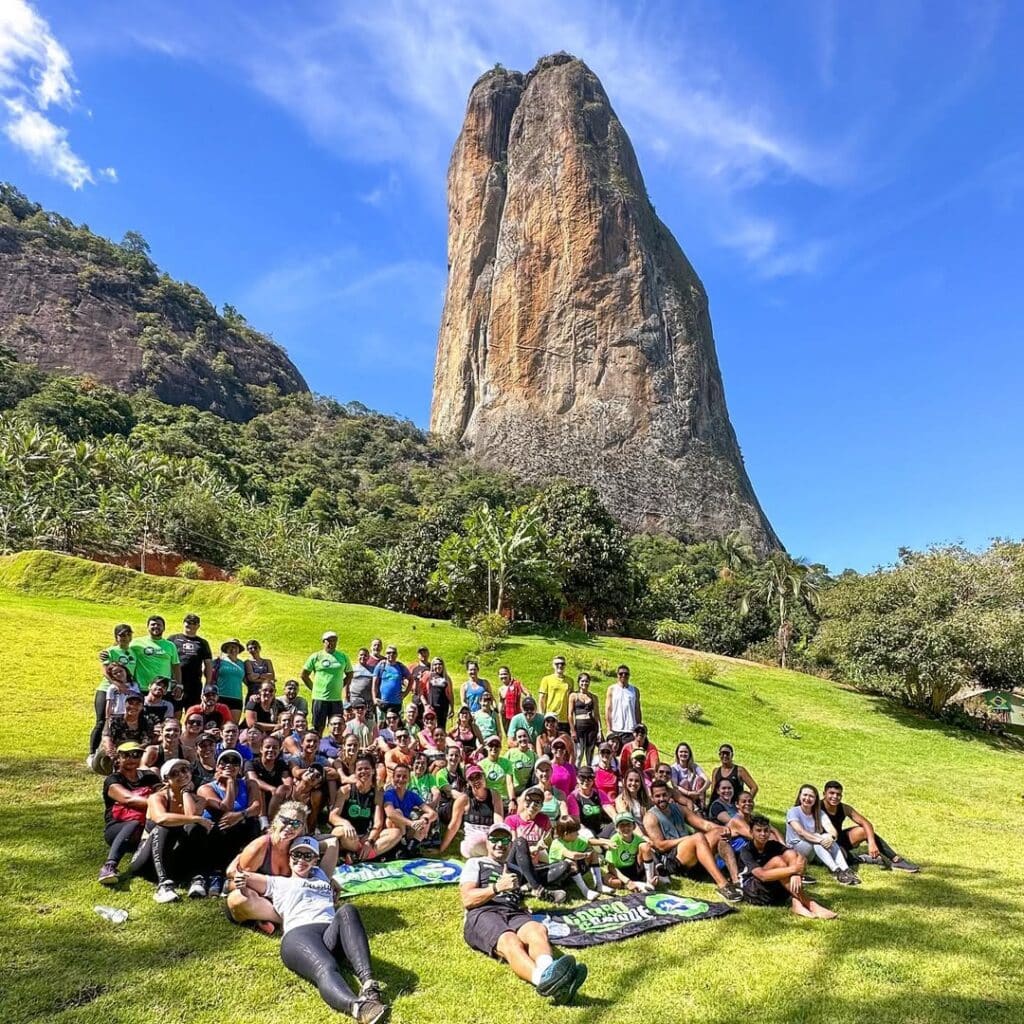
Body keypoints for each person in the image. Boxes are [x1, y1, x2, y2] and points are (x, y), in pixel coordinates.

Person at [233, 835, 390, 1023]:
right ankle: (359, 1007)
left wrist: (311, 842)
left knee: (348, 910)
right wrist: (242, 881)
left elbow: (333, 842)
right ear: (289, 857)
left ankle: (369, 985)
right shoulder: (277, 882)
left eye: (308, 856)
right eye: (296, 855)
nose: (301, 860)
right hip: (299, 934)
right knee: (326, 967)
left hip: (330, 930)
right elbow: (241, 875)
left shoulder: (322, 875)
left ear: (316, 860)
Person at [460, 823, 587, 1004]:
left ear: (509, 844)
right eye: (494, 839)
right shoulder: (476, 863)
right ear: (487, 842)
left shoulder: (516, 870)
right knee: (510, 941)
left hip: (512, 911)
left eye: (504, 840)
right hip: (483, 911)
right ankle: (543, 980)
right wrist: (496, 887)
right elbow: (468, 899)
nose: (499, 844)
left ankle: (550, 973)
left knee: (537, 930)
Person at [225, 803, 339, 933]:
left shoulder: (298, 845)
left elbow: (332, 842)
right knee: (237, 899)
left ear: (302, 828)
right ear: (276, 820)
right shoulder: (259, 847)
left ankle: (273, 920)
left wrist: (326, 879)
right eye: (285, 820)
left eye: (296, 824)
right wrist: (234, 873)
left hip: (288, 897)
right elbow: (235, 883)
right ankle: (290, 919)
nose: (289, 827)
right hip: (265, 898)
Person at [644, 780, 743, 901]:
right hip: (671, 859)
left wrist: (723, 829)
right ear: (652, 798)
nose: (661, 799)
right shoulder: (650, 817)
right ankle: (723, 885)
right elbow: (660, 846)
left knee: (719, 833)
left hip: (689, 848)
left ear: (669, 794)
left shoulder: (679, 808)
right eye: (657, 796)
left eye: (664, 795)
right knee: (698, 837)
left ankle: (737, 881)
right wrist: (686, 839)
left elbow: (703, 824)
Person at [134, 755, 215, 902]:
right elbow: (161, 818)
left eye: (184, 770)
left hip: (175, 858)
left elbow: (191, 816)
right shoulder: (157, 798)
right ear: (166, 780)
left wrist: (185, 793)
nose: (181, 775)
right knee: (163, 827)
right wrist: (197, 818)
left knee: (195, 827)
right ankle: (163, 884)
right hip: (147, 860)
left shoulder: (199, 799)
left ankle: (197, 878)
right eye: (174, 773)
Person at [739, 815, 837, 919]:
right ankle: (811, 904)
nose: (763, 834)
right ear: (751, 832)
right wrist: (793, 869)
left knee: (790, 854)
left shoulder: (773, 844)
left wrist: (797, 874)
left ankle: (796, 903)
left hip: (776, 892)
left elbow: (800, 857)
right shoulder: (746, 851)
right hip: (754, 892)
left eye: (766, 830)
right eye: (758, 831)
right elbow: (762, 876)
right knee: (779, 862)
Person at [821, 781, 920, 872]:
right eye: (831, 793)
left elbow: (866, 823)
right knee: (842, 857)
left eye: (838, 794)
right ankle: (860, 858)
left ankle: (896, 860)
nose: (835, 797)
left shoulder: (844, 808)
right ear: (824, 794)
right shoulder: (816, 807)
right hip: (822, 843)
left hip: (837, 839)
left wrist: (872, 843)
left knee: (863, 831)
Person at [197, 749, 262, 889]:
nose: (229, 765)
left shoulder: (250, 784)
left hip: (241, 828)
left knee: (252, 823)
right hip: (217, 832)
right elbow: (225, 808)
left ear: (240, 768)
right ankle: (216, 873)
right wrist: (231, 783)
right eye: (224, 761)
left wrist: (240, 815)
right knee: (224, 823)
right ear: (217, 766)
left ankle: (241, 869)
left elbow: (256, 807)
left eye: (235, 762)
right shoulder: (205, 788)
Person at [99, 742, 161, 885]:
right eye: (126, 755)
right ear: (118, 758)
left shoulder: (150, 777)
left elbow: (163, 793)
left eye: (136, 754)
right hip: (118, 827)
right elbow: (128, 799)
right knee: (133, 823)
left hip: (148, 825)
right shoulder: (113, 780)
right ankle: (110, 866)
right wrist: (157, 803)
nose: (131, 759)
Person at [329, 755, 402, 861]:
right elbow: (332, 816)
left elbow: (378, 823)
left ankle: (357, 856)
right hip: (349, 834)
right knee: (340, 831)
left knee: (396, 833)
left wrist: (370, 841)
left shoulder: (378, 793)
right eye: (360, 769)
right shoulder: (345, 790)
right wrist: (346, 824)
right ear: (355, 772)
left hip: (366, 835)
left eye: (367, 768)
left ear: (373, 771)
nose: (363, 771)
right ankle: (365, 854)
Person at [786, 784, 859, 885]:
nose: (807, 798)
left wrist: (831, 838)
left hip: (813, 848)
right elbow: (801, 832)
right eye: (805, 795)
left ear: (816, 799)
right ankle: (836, 871)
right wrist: (820, 840)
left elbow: (832, 830)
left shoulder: (818, 812)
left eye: (811, 796)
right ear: (800, 796)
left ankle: (846, 869)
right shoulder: (793, 811)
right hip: (796, 848)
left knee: (826, 836)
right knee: (819, 838)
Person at [92, 624, 137, 761]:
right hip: (107, 689)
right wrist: (116, 684)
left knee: (120, 721)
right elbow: (104, 670)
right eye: (122, 635)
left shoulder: (134, 651)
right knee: (102, 721)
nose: (125, 637)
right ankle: (92, 752)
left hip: (125, 691)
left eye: (128, 634)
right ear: (116, 637)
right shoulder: (110, 651)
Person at [441, 764, 504, 856]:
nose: (476, 781)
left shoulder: (494, 795)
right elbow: (454, 826)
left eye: (478, 776)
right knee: (478, 841)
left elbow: (499, 822)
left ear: (484, 777)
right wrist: (442, 849)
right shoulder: (463, 799)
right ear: (468, 783)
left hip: (490, 839)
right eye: (472, 778)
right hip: (472, 842)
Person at [303, 631, 354, 733]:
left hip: (336, 698)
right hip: (319, 698)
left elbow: (350, 674)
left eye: (334, 640)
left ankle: (333, 747)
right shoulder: (316, 656)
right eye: (329, 640)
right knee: (318, 727)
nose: (332, 643)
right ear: (323, 642)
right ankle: (317, 746)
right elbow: (304, 675)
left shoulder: (343, 656)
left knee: (337, 727)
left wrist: (341, 685)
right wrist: (314, 688)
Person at [549, 815, 607, 900]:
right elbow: (572, 855)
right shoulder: (557, 843)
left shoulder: (575, 839)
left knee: (594, 853)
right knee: (570, 862)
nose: (578, 833)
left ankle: (599, 885)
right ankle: (585, 891)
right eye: (576, 832)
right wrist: (585, 855)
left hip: (574, 873)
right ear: (566, 834)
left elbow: (589, 841)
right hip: (560, 877)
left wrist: (606, 842)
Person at [383, 763, 438, 851]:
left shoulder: (412, 795)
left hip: (407, 828)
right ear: (393, 778)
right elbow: (390, 814)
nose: (401, 779)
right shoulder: (389, 794)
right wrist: (411, 823)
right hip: (391, 830)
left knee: (426, 818)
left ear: (409, 779)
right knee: (397, 812)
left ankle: (411, 848)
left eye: (404, 777)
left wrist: (424, 820)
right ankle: (399, 846)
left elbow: (433, 813)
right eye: (398, 776)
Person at [95, 693, 154, 775]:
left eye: (137, 704)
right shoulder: (113, 719)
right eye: (130, 703)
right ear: (125, 704)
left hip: (136, 750)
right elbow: (106, 736)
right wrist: (110, 750)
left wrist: (129, 751)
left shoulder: (147, 722)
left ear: (142, 707)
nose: (133, 706)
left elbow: (147, 741)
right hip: (115, 749)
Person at [604, 813, 658, 892]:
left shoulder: (638, 839)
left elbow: (649, 855)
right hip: (620, 871)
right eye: (622, 825)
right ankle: (634, 885)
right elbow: (611, 867)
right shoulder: (614, 841)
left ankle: (650, 881)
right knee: (607, 879)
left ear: (634, 826)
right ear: (616, 828)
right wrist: (627, 881)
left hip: (635, 868)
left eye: (628, 824)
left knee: (645, 846)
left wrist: (654, 872)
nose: (625, 828)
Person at [168, 613, 212, 707]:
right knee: (174, 710)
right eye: (188, 622)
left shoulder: (203, 643)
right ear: (183, 623)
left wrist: (208, 684)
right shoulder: (173, 639)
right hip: (174, 681)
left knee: (193, 711)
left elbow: (208, 664)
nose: (191, 625)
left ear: (198, 626)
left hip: (194, 683)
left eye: (194, 623)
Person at [131, 615, 181, 695]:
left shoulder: (170, 645)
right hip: (141, 688)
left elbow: (176, 665)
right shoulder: (136, 643)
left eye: (159, 625)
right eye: (153, 624)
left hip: (163, 689)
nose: (156, 626)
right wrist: (106, 653)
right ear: (147, 627)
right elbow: (122, 648)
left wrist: (179, 685)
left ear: (164, 628)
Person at [567, 673, 600, 767]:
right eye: (582, 681)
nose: (584, 683)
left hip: (591, 727)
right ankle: (576, 773)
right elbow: (570, 714)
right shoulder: (574, 696)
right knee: (579, 753)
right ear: (578, 682)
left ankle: (589, 773)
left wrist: (599, 731)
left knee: (590, 753)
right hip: (579, 727)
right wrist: (572, 730)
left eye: (586, 681)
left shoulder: (593, 697)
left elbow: (597, 715)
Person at [372, 644, 411, 722]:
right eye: (389, 653)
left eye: (393, 653)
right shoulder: (381, 665)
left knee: (397, 725)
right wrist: (374, 698)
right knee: (381, 725)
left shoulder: (400, 666)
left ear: (396, 654)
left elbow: (411, 679)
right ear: (386, 654)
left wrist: (405, 693)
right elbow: (374, 684)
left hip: (396, 702)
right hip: (382, 702)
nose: (391, 655)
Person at [209, 639, 246, 722]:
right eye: (230, 647)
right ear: (226, 649)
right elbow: (209, 676)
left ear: (239, 650)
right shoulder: (218, 661)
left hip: (236, 697)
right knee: (218, 722)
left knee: (233, 725)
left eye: (235, 647)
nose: (233, 649)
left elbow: (246, 679)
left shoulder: (242, 664)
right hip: (221, 696)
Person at [572, 766, 612, 840]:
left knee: (617, 825)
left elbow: (609, 809)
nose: (586, 780)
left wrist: (619, 819)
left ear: (593, 780)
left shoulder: (599, 793)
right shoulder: (573, 797)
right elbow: (577, 823)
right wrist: (591, 837)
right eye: (582, 777)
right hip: (585, 833)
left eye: (590, 777)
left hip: (600, 830)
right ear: (577, 779)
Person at [604, 664, 641, 744]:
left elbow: (637, 709)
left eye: (626, 674)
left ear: (629, 675)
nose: (623, 675)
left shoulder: (634, 690)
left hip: (630, 730)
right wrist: (609, 729)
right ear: (617, 675)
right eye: (621, 673)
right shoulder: (612, 689)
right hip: (615, 729)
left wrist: (639, 728)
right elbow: (608, 710)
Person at [537, 656, 573, 732]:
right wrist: (541, 716)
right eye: (557, 664)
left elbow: (571, 700)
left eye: (562, 664)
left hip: (564, 719)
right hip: (550, 717)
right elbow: (541, 699)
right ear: (553, 665)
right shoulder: (546, 679)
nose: (560, 666)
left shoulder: (570, 681)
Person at [477, 736, 516, 805]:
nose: (494, 748)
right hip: (488, 799)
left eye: (497, 745)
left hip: (503, 799)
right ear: (486, 747)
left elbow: (509, 783)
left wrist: (512, 800)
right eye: (491, 745)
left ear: (500, 748)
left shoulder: (507, 763)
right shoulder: (480, 765)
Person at [670, 742, 709, 810]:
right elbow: (675, 786)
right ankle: (691, 806)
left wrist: (700, 792)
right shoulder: (674, 768)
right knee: (685, 782)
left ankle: (702, 806)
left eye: (685, 752)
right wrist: (689, 793)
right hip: (683, 794)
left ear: (689, 754)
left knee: (700, 779)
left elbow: (708, 781)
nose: (683, 754)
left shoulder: (694, 766)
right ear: (677, 754)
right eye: (681, 752)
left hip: (696, 793)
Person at [421, 656, 454, 728]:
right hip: (431, 707)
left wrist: (452, 708)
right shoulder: (428, 675)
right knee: (430, 727)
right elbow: (420, 691)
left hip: (443, 707)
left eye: (439, 664)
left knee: (441, 728)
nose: (438, 666)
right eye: (435, 664)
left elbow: (450, 694)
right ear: (432, 666)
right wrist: (426, 704)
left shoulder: (446, 678)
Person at [498, 665, 530, 734]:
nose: (503, 676)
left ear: (509, 674)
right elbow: (501, 701)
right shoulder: (501, 689)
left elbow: (528, 694)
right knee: (509, 734)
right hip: (505, 716)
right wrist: (499, 712)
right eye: (501, 674)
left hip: (517, 714)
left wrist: (527, 707)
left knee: (519, 733)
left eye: (505, 674)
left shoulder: (517, 684)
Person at [507, 728, 538, 797]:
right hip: (512, 792)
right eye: (519, 737)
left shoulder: (534, 755)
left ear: (528, 738)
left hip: (527, 791)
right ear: (516, 740)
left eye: (524, 736)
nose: (522, 739)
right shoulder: (510, 753)